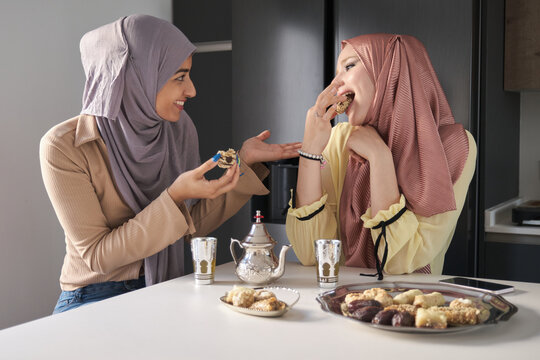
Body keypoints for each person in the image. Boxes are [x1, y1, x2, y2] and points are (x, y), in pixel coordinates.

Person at [40, 14, 301, 314]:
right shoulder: (64, 146)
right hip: (93, 296)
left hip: (167, 286)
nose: (192, 90)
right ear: (135, 77)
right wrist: (173, 197)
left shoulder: (178, 129)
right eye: (179, 77)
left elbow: (183, 230)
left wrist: (245, 165)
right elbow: (98, 256)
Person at [286, 34, 476, 279]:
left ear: (390, 71)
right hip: (340, 302)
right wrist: (310, 151)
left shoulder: (453, 146)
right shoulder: (339, 139)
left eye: (349, 66)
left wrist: (379, 157)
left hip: (413, 304)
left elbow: (398, 261)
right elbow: (311, 253)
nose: (335, 85)